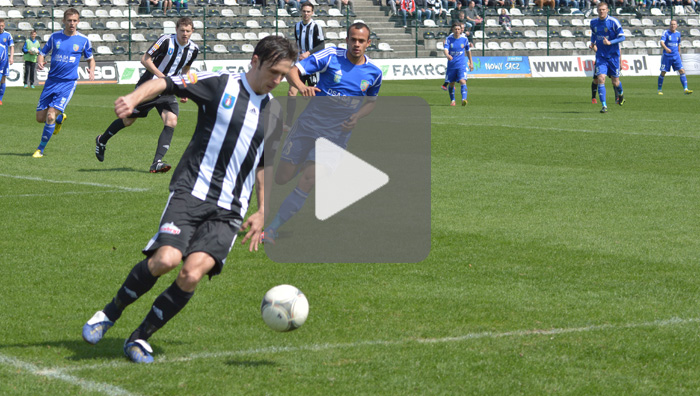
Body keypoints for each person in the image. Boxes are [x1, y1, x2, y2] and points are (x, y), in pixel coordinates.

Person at [81, 36, 297, 364]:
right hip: (191, 192)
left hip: (230, 209)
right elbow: (165, 82)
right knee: (166, 260)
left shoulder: (276, 113)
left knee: (191, 274)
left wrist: (264, 208)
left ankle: (139, 338)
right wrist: (133, 97)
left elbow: (263, 163)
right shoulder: (219, 84)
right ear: (255, 61)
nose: (277, 81)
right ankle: (108, 314)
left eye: (283, 75)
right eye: (274, 72)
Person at [262, 22, 383, 244]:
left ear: (368, 43)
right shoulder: (330, 56)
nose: (356, 44)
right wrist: (301, 87)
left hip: (336, 134)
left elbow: (371, 103)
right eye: (353, 39)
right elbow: (293, 70)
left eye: (361, 41)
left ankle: (271, 229)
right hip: (309, 125)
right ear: (347, 40)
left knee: (309, 179)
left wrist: (358, 116)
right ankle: (304, 160)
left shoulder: (374, 73)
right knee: (282, 178)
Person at [94, 17, 199, 173]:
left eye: (188, 31)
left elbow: (185, 70)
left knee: (171, 120)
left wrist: (185, 88)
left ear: (192, 32)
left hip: (167, 90)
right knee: (128, 120)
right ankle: (102, 140)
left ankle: (156, 162)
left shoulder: (193, 49)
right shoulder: (165, 41)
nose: (184, 34)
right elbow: (145, 59)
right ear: (176, 30)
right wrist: (161, 76)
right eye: (182, 30)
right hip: (148, 87)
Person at [32, 9, 95, 158]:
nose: (72, 23)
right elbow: (42, 53)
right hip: (51, 82)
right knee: (40, 118)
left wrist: (92, 70)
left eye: (74, 21)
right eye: (69, 20)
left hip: (67, 83)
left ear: (78, 21)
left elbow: (90, 58)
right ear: (64, 21)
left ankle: (40, 149)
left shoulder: (83, 40)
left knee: (50, 115)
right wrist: (40, 62)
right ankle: (60, 119)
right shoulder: (55, 37)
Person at [286, 2, 324, 129]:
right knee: (292, 92)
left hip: (312, 64)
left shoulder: (316, 26)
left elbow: (321, 46)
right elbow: (297, 44)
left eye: (308, 11)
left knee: (313, 95)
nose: (306, 14)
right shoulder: (297, 26)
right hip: (299, 65)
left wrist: (308, 53)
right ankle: (288, 123)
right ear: (300, 12)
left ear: (312, 13)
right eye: (304, 11)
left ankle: (316, 123)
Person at [589, 1, 625, 114]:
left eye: (603, 9)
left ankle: (621, 93)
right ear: (597, 11)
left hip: (613, 56)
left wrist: (611, 42)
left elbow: (622, 37)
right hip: (601, 56)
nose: (601, 12)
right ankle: (604, 106)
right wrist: (592, 42)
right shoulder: (593, 22)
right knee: (601, 78)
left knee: (615, 82)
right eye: (600, 10)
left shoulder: (613, 22)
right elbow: (594, 34)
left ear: (607, 10)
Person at [658, 20, 692, 95]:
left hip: (676, 56)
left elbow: (678, 44)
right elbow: (661, 42)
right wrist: (666, 49)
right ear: (669, 25)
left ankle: (685, 89)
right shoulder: (666, 33)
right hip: (667, 56)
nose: (673, 26)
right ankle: (659, 90)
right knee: (663, 72)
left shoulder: (678, 34)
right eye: (671, 24)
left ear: (676, 26)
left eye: (674, 24)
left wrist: (679, 53)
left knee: (682, 71)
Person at [443, 22, 473, 106]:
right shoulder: (449, 39)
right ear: (452, 30)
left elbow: (468, 51)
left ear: (461, 30)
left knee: (463, 81)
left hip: (461, 64)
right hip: (452, 65)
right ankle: (453, 100)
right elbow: (445, 49)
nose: (457, 31)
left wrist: (471, 62)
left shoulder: (464, 39)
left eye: (458, 29)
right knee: (451, 83)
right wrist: (447, 55)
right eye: (455, 29)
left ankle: (464, 99)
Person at [0, 19, 14, 105]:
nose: (0, 27)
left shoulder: (8, 35)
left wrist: (11, 57)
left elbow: (11, 46)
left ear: (4, 26)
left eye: (2, 26)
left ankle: (0, 99)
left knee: (3, 79)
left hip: (4, 61)